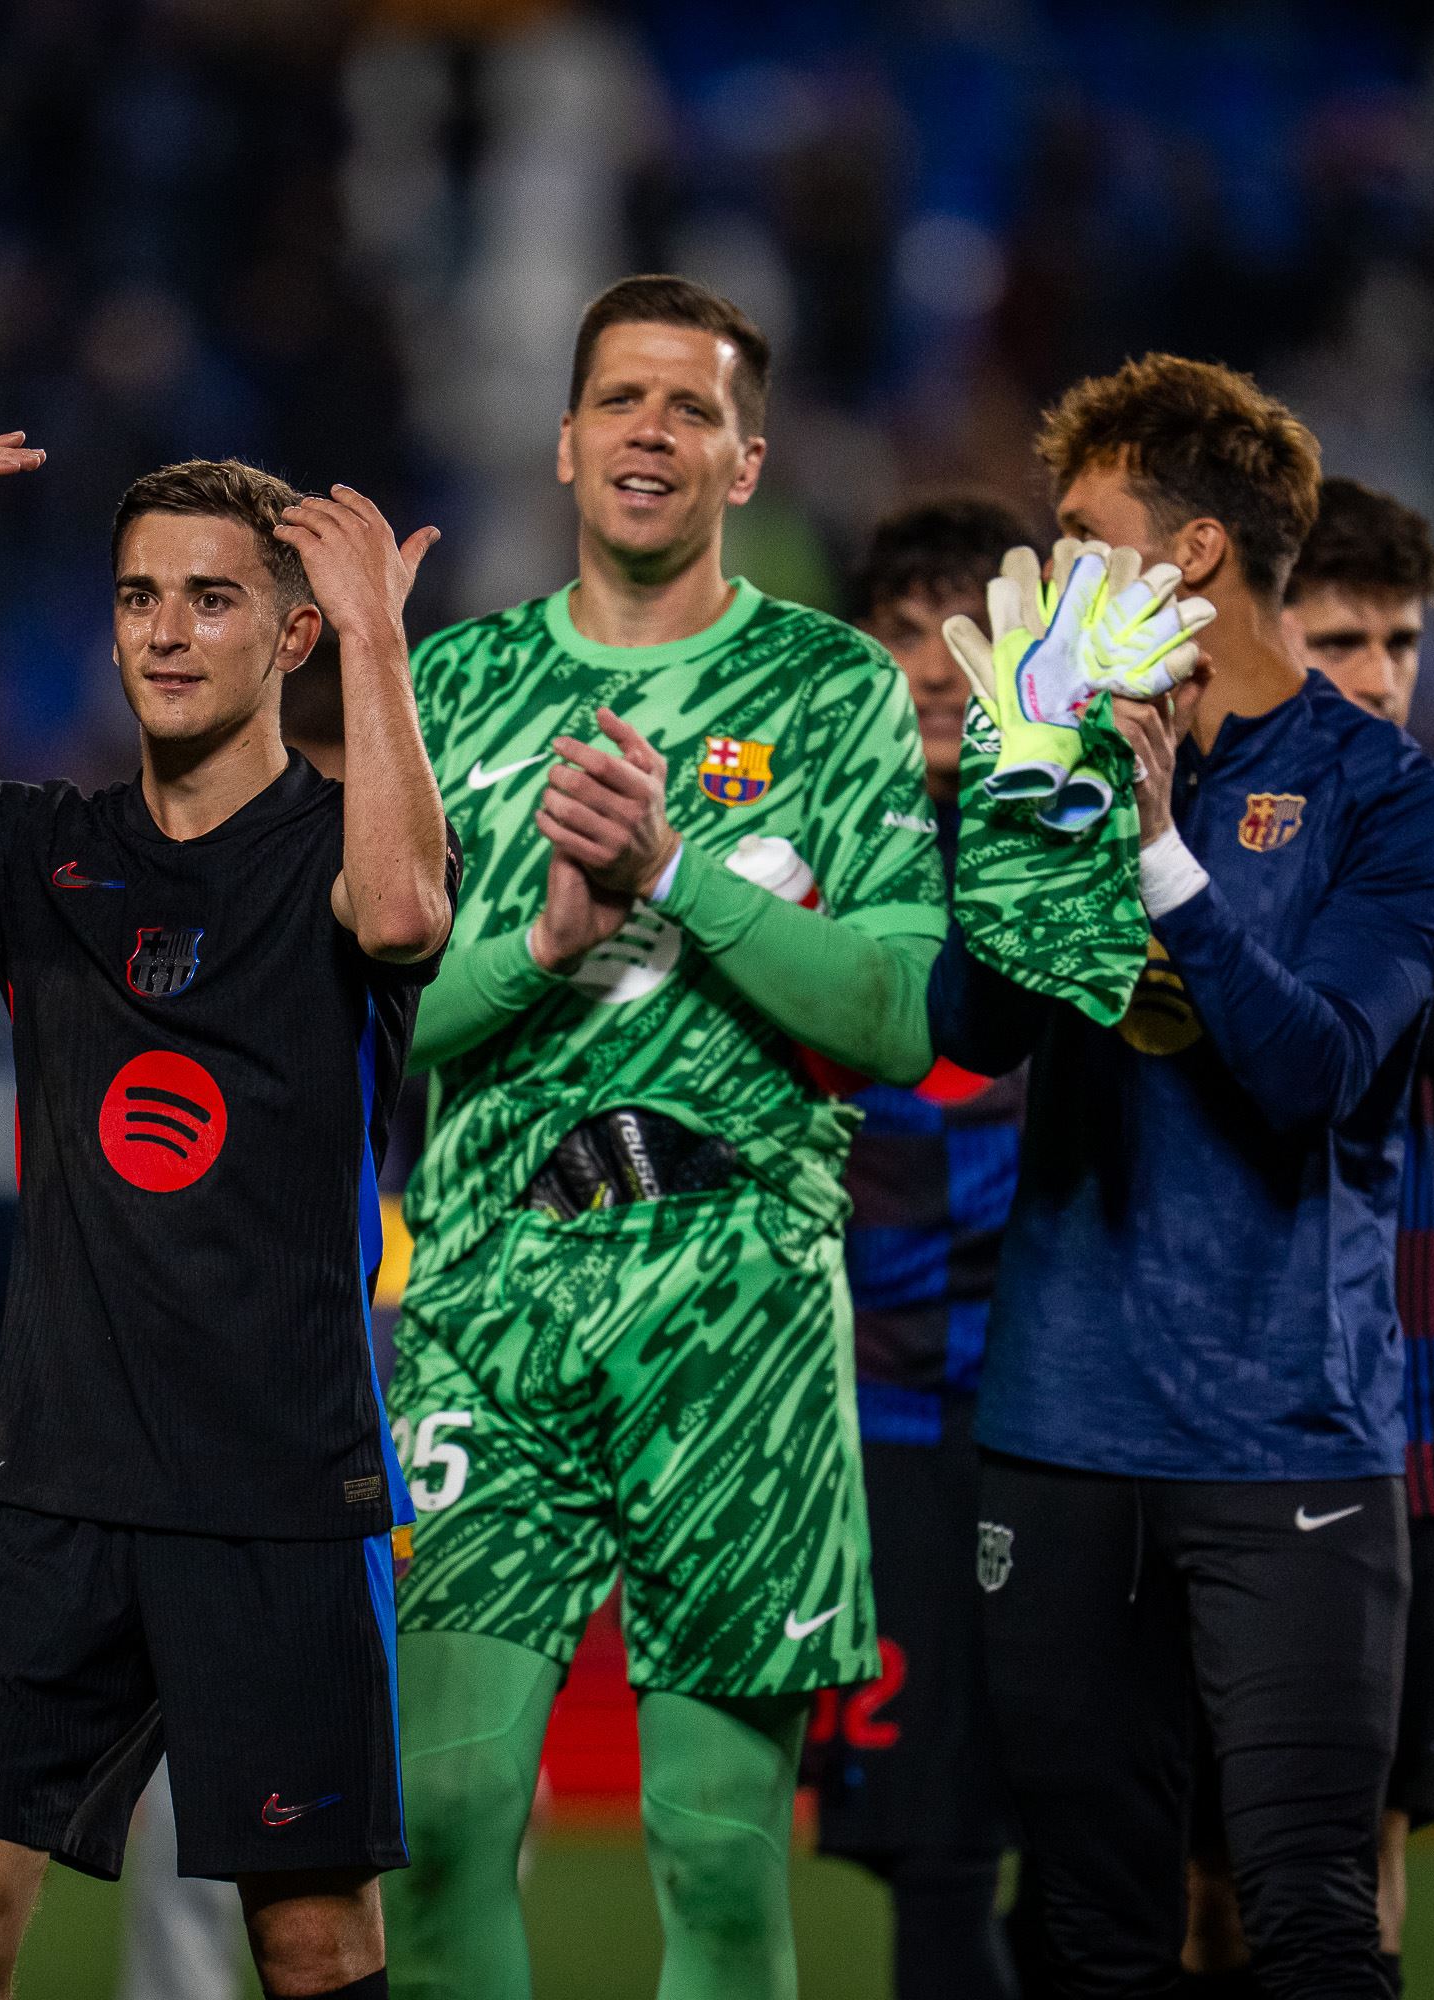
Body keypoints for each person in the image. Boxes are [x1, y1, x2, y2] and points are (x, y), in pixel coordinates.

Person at [0, 439, 451, 2000]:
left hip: (281, 1491)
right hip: (58, 1488)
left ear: (291, 633)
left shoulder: (345, 852)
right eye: (139, 597)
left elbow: (409, 914)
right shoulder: (44, 851)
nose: (166, 630)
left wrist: (378, 640)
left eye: (212, 598)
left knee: (316, 1947)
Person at [384, 275, 948, 2000]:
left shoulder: (835, 687)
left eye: (691, 407)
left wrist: (676, 875)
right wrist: (549, 941)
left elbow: (900, 1020)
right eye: (620, 400)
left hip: (741, 1301)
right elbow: (380, 1020)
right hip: (490, 1292)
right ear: (564, 443)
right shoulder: (455, 685)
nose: (651, 431)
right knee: (444, 1817)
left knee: (714, 1853)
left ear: (745, 460)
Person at [932, 355, 1434, 1997]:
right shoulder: (1063, 753)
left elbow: (1314, 1073)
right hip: (1061, 1432)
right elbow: (971, 1028)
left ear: (1192, 556)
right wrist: (1028, 798)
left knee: (1308, 1925)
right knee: (1095, 1937)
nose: (1051, 574)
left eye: (1083, 540)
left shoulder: (1397, 803)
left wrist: (1163, 852)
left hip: (1287, 1439)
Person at [1185, 476, 1434, 1991]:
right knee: (1203, 1883)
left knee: (1365, 1859)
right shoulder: (1187, 828)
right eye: (1340, 639)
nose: (1381, 675)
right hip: (1208, 1395)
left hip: (1407, 1410)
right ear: (1265, 634)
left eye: (1400, 641)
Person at [806, 498, 1030, 2000]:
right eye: (907, 632)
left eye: (975, 634)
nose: (943, 668)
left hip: (1059, 1406)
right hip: (873, 1413)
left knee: (1091, 1829)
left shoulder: (1076, 849)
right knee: (930, 1844)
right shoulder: (800, 861)